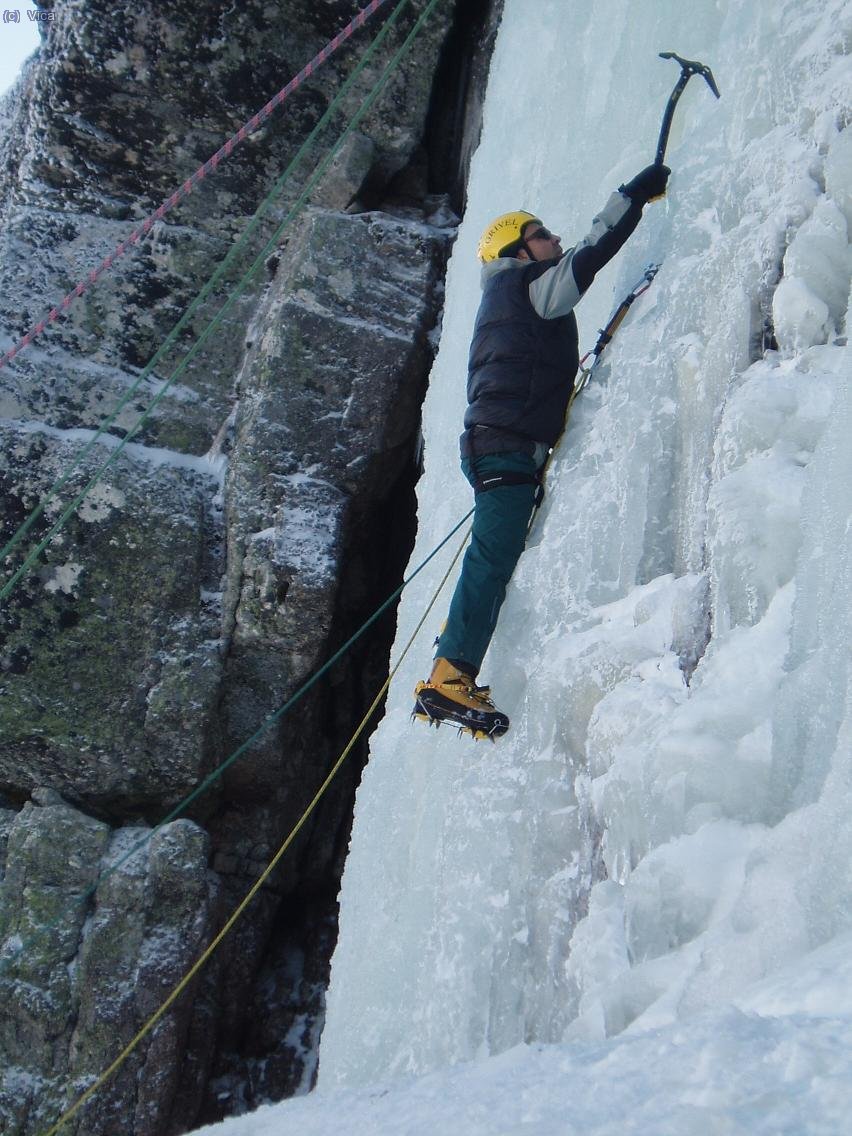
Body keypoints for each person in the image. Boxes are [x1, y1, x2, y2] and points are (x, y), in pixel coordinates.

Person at [413, 163, 671, 740]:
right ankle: (449, 676)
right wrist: (631, 196)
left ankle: (452, 660)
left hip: (498, 446)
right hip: (506, 449)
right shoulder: (525, 286)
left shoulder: (506, 295)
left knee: (492, 554)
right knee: (491, 557)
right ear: (518, 251)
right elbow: (588, 256)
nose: (553, 239)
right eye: (541, 235)